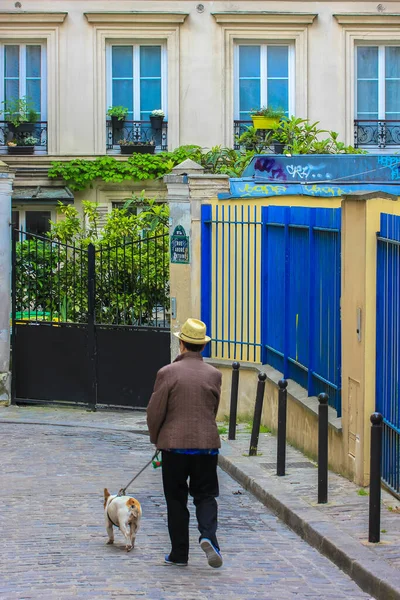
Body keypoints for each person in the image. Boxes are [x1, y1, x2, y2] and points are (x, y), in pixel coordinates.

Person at [146, 318, 223, 568]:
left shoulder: (167, 373)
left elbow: (155, 412)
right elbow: (212, 409)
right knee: (206, 495)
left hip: (174, 447)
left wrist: (156, 438)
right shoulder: (214, 375)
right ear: (202, 347)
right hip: (206, 446)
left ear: (181, 344)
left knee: (176, 499)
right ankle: (208, 536)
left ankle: (179, 553)